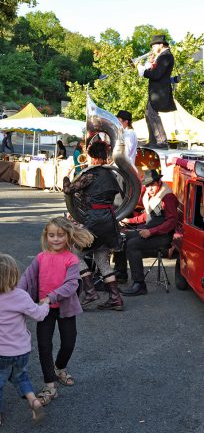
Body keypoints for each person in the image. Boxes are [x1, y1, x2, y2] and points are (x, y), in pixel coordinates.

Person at [19, 217, 93, 406]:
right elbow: (26, 278)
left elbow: (71, 285)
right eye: (52, 235)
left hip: (65, 308)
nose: (56, 239)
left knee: (68, 343)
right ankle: (49, 385)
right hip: (43, 310)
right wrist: (16, 295)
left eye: (60, 235)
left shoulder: (71, 259)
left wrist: (51, 296)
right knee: (44, 346)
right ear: (46, 236)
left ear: (68, 236)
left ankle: (60, 367)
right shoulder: (40, 257)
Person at [0, 253, 49, 428]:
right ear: (14, 275)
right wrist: (46, 304)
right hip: (21, 350)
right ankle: (33, 400)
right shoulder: (21, 296)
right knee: (21, 377)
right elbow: (38, 315)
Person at [63, 141, 125, 311]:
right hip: (109, 222)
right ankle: (115, 298)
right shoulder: (112, 174)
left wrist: (66, 178)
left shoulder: (91, 174)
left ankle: (90, 292)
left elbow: (69, 190)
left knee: (75, 255)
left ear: (91, 156)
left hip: (94, 221)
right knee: (101, 260)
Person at [113, 169, 178, 296]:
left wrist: (151, 231)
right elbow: (148, 216)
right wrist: (130, 220)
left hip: (163, 236)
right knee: (122, 236)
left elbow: (171, 222)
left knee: (133, 245)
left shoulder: (167, 197)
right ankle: (121, 273)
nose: (149, 189)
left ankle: (139, 284)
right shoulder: (150, 195)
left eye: (152, 185)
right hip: (149, 230)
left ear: (159, 182)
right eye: (147, 186)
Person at [137, 34, 176, 149]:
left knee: (153, 115)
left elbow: (156, 74)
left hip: (159, 92)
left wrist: (143, 71)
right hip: (157, 91)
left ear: (161, 45)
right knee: (148, 114)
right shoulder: (163, 56)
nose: (153, 49)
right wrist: (151, 64)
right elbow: (156, 71)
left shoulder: (166, 56)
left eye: (154, 46)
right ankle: (153, 141)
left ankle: (162, 141)